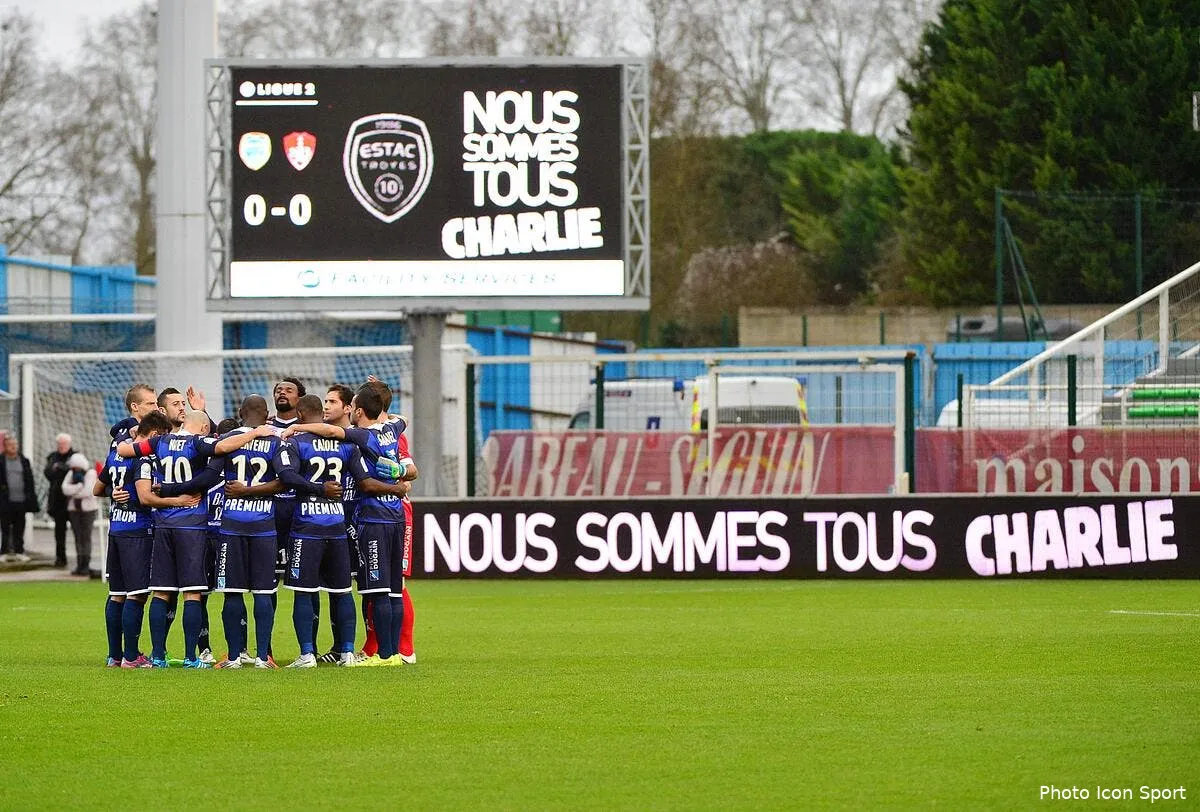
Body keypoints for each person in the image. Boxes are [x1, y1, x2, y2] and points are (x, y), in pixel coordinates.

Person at [119, 409, 274, 668]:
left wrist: (127, 435)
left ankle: (159, 657)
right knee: (191, 593)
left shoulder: (160, 441)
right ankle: (192, 657)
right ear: (203, 429)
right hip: (191, 525)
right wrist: (256, 432)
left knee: (161, 592)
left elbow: (125, 451)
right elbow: (224, 445)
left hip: (163, 523)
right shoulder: (198, 443)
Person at [277, 394, 409, 668]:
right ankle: (350, 651)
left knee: (305, 591)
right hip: (340, 525)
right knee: (344, 591)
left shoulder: (352, 437)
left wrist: (295, 430)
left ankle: (308, 654)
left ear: (300, 414)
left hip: (310, 526)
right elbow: (365, 476)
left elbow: (288, 477)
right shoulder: (368, 438)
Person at [97, 411, 174, 668]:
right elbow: (144, 497)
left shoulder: (115, 453)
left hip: (116, 529)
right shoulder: (142, 457)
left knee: (116, 594)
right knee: (137, 595)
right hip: (138, 531)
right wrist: (177, 499)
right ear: (153, 434)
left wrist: (114, 491)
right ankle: (132, 657)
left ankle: (114, 655)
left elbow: (98, 488)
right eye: (161, 439)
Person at [61, 452, 100, 576]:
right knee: (78, 537)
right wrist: (78, 487)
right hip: (74, 510)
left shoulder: (90, 473)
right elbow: (64, 488)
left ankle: (86, 564)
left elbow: (88, 491)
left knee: (86, 537)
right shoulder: (71, 473)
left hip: (88, 510)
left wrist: (74, 491)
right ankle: (79, 563)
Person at [0, 434, 39, 561]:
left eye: (15, 445)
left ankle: (19, 551)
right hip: (5, 501)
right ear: (5, 447)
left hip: (21, 501)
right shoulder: (1, 461)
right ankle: (4, 552)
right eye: (10, 445)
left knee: (19, 527)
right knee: (5, 527)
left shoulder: (24, 460)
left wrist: (30, 498)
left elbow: (29, 480)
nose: (13, 447)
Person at [44, 433, 76, 568]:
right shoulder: (52, 457)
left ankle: (82, 560)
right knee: (59, 533)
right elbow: (48, 473)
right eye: (60, 444)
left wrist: (61, 468)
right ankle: (60, 558)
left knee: (78, 532)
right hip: (58, 501)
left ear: (69, 444)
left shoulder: (75, 456)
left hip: (73, 501)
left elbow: (76, 473)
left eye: (64, 444)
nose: (62, 446)